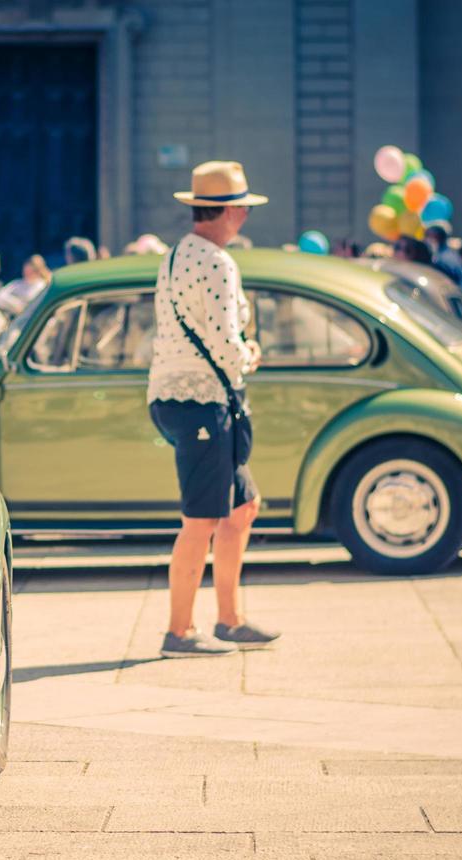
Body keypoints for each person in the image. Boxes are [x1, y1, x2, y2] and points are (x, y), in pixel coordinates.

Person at [148, 161, 279, 657]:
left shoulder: (176, 254)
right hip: (201, 400)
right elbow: (226, 341)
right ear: (230, 213)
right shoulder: (219, 263)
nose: (244, 217)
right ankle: (179, 631)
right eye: (242, 208)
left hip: (176, 396)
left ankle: (229, 619)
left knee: (242, 507)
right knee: (201, 520)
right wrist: (250, 354)